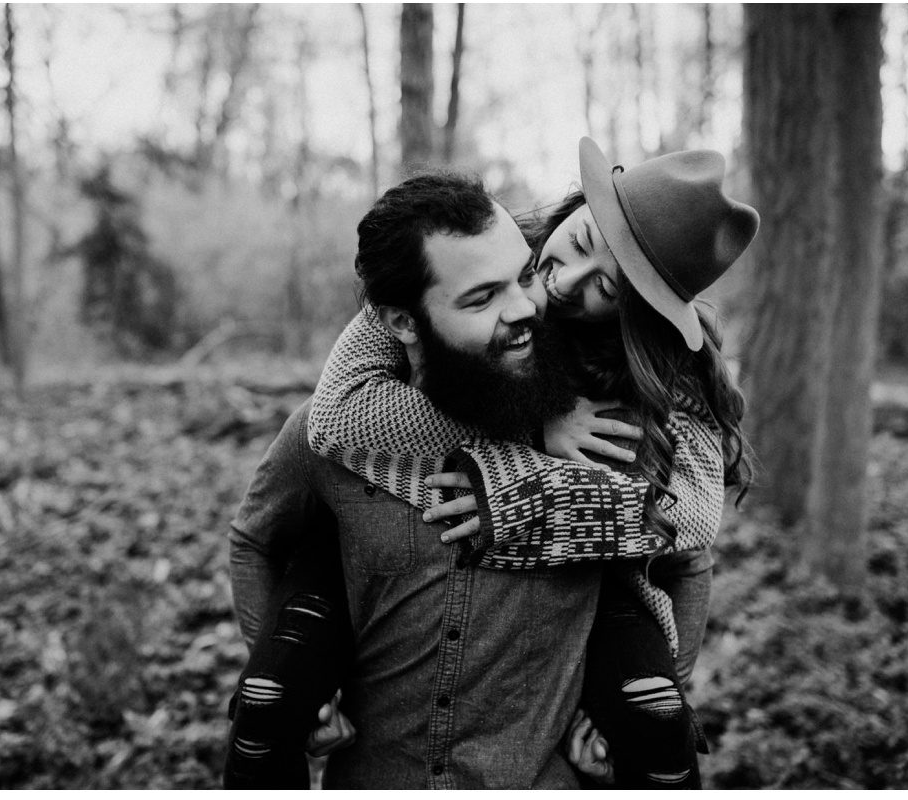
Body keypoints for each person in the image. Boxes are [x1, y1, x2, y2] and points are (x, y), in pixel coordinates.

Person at [229, 140, 757, 787]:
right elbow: (325, 426)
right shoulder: (453, 272)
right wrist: (530, 431)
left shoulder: (629, 404)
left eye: (606, 288)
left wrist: (531, 494)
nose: (558, 286)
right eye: (579, 243)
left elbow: (688, 527)